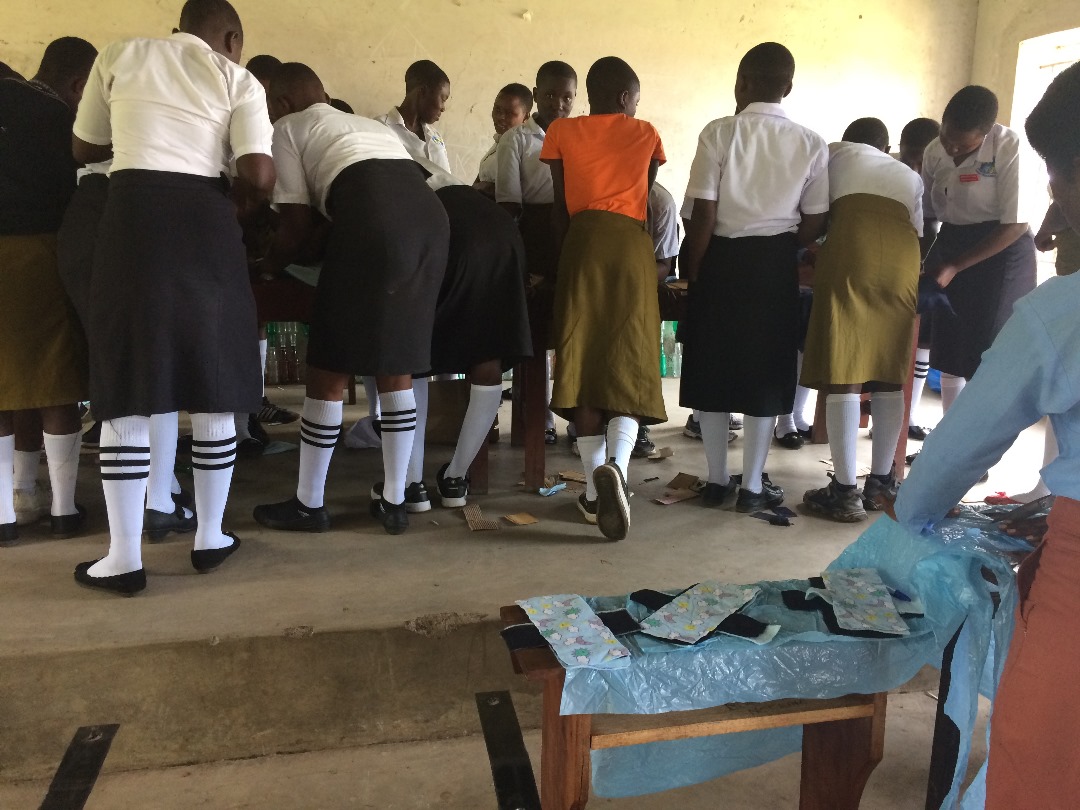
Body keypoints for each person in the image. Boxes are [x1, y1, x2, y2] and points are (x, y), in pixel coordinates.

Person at [892, 59, 1080, 810]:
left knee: (1045, 764)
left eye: (1060, 186)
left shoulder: (1060, 313)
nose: (1053, 219)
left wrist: (911, 512)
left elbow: (958, 452)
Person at [71, 0, 276, 594]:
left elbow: (84, 148)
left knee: (128, 382)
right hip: (206, 221)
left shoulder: (121, 54)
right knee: (214, 379)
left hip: (132, 216)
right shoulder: (237, 78)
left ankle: (123, 558)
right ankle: (210, 538)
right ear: (231, 38)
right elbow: (260, 175)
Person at [251, 62, 449, 536]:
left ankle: (309, 504)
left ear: (281, 102)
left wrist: (266, 266)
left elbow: (295, 225)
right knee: (396, 364)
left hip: (372, 225)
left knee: (329, 368)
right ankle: (395, 501)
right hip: (430, 225)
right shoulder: (364, 125)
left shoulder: (287, 127)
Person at [679, 42, 829, 512]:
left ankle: (717, 481)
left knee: (715, 368)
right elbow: (816, 220)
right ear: (789, 87)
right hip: (775, 264)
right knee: (765, 373)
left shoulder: (719, 132)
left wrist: (695, 271)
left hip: (720, 259)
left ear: (741, 82)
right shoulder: (811, 142)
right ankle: (753, 490)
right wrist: (783, 242)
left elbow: (704, 212)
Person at [539, 56, 665, 540]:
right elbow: (644, 197)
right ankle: (619, 470)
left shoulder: (561, 132)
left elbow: (558, 208)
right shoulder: (646, 133)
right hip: (632, 249)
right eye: (635, 100)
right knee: (627, 359)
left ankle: (594, 491)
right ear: (624, 97)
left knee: (584, 364)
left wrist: (560, 266)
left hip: (582, 245)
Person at [56, 159, 197, 541]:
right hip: (148, 202)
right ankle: (159, 500)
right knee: (157, 361)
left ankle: (151, 504)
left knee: (116, 363)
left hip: (87, 211)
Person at [385, 161, 533, 511]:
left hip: (442, 226)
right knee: (488, 352)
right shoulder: (428, 167)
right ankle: (455, 479)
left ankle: (411, 485)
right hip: (501, 231)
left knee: (411, 352)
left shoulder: (385, 176)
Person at [800, 117, 923, 522]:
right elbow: (919, 230)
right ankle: (883, 483)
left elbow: (814, 214)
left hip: (854, 251)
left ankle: (844, 491)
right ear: (886, 147)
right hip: (903, 260)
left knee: (846, 365)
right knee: (889, 368)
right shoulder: (908, 175)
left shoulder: (833, 152)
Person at [0, 36, 98, 545]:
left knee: (4, 381)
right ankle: (63, 509)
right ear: (79, 84)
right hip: (38, 251)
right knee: (55, 379)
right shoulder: (57, 118)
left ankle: (7, 509)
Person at [920, 86, 1036, 420]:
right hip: (953, 239)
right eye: (947, 138)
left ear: (985, 134)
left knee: (986, 349)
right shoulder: (934, 150)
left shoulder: (1008, 146)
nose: (952, 148)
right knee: (951, 344)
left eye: (962, 144)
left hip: (1001, 249)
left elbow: (1016, 224)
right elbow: (928, 214)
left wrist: (956, 265)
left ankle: (976, 438)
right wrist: (926, 259)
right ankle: (950, 433)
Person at [496, 60, 578, 446]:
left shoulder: (580, 136)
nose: (558, 104)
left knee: (574, 329)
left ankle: (578, 417)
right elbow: (510, 205)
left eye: (567, 97)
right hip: (534, 236)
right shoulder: (516, 140)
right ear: (535, 95)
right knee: (536, 335)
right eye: (549, 95)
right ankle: (539, 416)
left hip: (573, 235)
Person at [898, 116, 941, 442]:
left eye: (921, 160)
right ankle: (890, 416)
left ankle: (908, 416)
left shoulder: (943, 174)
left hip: (930, 256)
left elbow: (934, 226)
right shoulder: (893, 173)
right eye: (908, 158)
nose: (914, 167)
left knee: (923, 338)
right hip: (896, 257)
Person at [376, 60, 452, 173]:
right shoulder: (380, 128)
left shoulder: (434, 135)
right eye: (443, 99)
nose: (443, 108)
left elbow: (446, 178)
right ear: (422, 92)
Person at [473, 83, 531, 198]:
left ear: (526, 117)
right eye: (497, 109)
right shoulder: (500, 140)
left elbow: (518, 193)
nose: (500, 117)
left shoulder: (525, 150)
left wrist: (486, 188)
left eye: (509, 113)